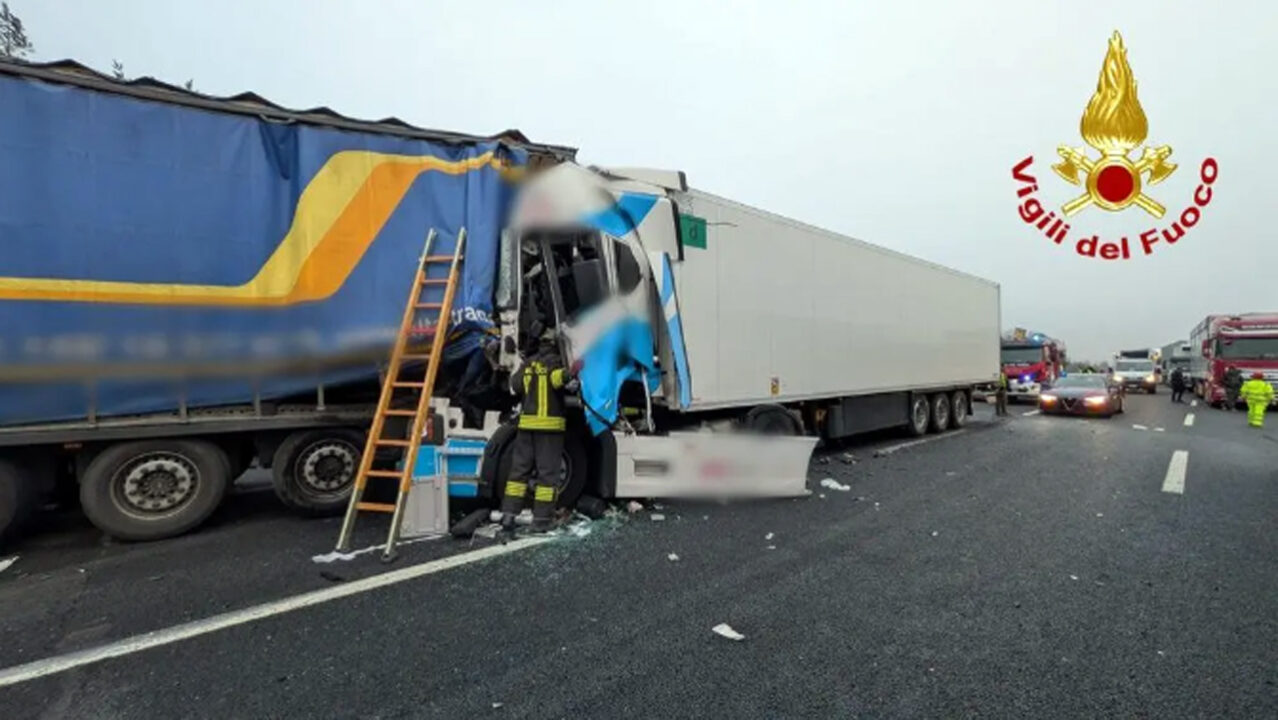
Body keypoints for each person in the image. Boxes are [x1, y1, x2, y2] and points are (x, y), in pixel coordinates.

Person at [498, 336, 579, 534]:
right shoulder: (554, 363)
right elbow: (559, 378)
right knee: (548, 475)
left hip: (526, 427)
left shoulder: (528, 364)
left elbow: (515, 385)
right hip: (549, 429)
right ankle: (542, 520)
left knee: (518, 472)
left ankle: (508, 516)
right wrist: (574, 370)